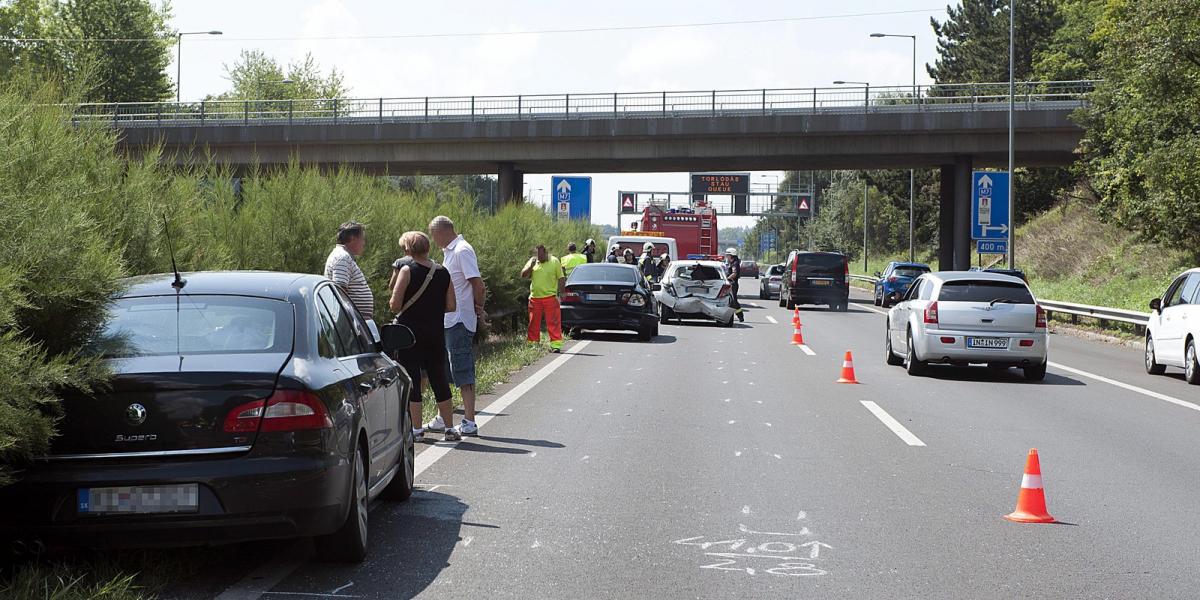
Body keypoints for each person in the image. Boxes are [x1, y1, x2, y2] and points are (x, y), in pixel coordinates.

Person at [388, 232, 460, 442]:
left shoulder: (407, 270)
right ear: (428, 248)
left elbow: (395, 305)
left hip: (409, 335)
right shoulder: (443, 272)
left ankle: (417, 430)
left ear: (409, 251)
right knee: (439, 378)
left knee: (412, 379)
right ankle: (449, 428)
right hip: (435, 334)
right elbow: (451, 305)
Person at [428, 215, 487, 436]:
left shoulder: (462, 251)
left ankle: (469, 420)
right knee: (444, 369)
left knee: (462, 369)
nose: (434, 241)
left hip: (460, 320)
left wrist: (478, 308)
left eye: (434, 236)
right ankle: (443, 418)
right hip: (449, 320)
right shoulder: (451, 252)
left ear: (442, 231)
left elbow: (478, 284)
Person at [324, 221, 373, 321]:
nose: (363, 243)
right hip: (350, 322)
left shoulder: (343, 256)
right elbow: (340, 291)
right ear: (353, 239)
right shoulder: (342, 257)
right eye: (362, 239)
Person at [521, 244, 565, 353]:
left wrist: (562, 293)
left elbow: (561, 278)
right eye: (537, 256)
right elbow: (523, 275)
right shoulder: (533, 261)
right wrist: (530, 266)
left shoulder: (554, 261)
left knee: (553, 322)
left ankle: (556, 345)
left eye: (540, 256)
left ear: (545, 253)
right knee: (533, 323)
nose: (539, 259)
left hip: (550, 298)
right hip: (535, 298)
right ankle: (533, 344)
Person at [725, 247, 745, 322]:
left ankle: (740, 316)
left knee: (733, 301)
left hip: (733, 284)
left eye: (728, 255)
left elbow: (734, 273)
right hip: (730, 283)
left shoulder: (735, 263)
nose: (727, 257)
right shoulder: (731, 263)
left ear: (731, 255)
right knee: (730, 301)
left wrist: (726, 279)